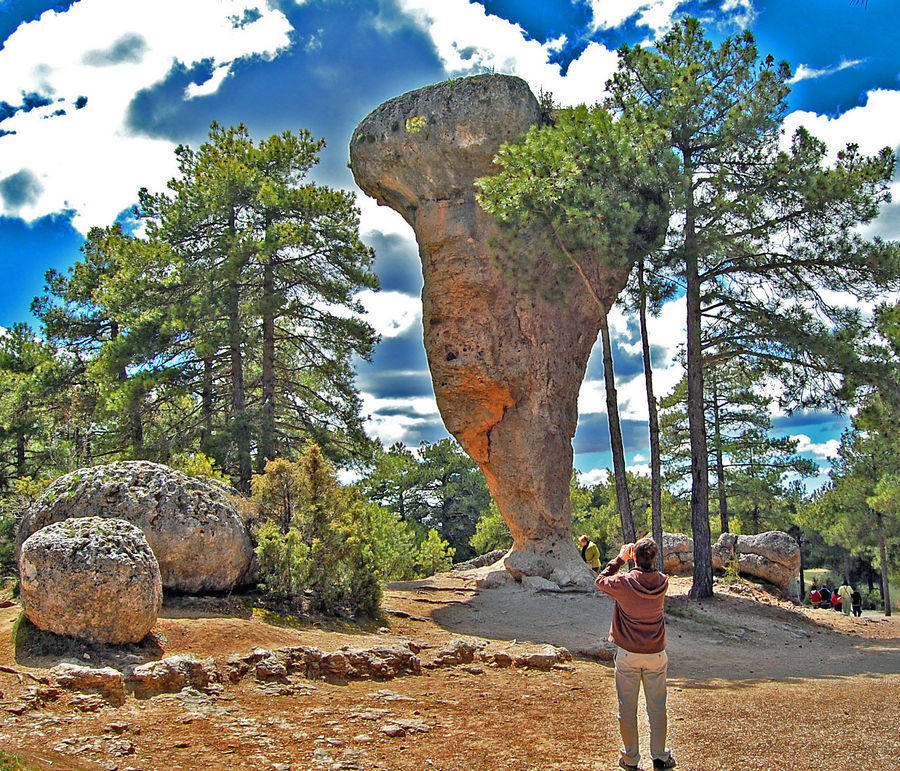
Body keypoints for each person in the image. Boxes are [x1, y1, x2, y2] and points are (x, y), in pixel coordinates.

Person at [595, 537, 676, 771]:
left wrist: (620, 559)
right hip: (656, 653)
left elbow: (600, 580)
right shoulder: (663, 582)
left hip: (628, 653)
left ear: (635, 558)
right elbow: (649, 574)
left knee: (627, 709)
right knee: (657, 708)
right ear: (654, 558)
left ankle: (630, 759)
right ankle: (660, 757)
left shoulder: (624, 582)